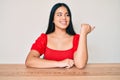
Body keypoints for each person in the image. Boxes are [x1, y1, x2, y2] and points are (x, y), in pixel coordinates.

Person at [25, 3, 94, 69]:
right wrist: (60, 63)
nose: (64, 17)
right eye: (59, 15)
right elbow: (29, 61)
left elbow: (80, 64)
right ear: (53, 19)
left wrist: (83, 33)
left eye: (67, 15)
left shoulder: (76, 39)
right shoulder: (44, 38)